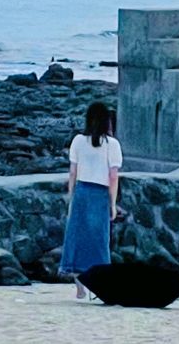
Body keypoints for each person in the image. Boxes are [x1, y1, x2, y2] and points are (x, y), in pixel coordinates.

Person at [59, 101, 122, 298]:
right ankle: (100, 283)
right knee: (99, 240)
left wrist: (71, 196)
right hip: (99, 193)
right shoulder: (112, 144)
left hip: (82, 191)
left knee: (77, 237)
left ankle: (79, 285)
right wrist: (112, 203)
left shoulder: (78, 140)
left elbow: (72, 173)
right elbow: (113, 176)